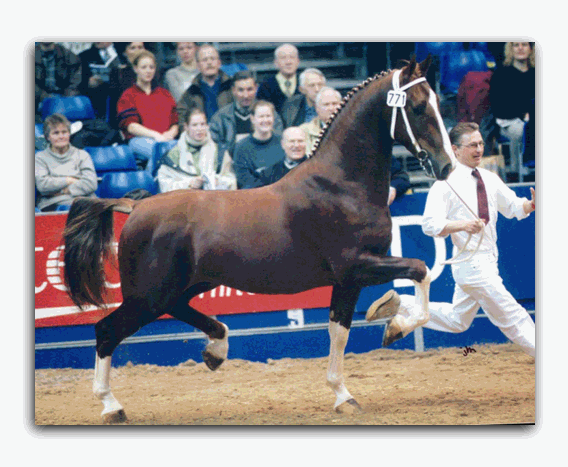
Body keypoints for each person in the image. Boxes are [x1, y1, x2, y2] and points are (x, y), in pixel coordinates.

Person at [366, 122, 536, 358]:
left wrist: (531, 205)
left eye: (480, 144)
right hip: (472, 264)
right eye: (472, 145)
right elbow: (429, 224)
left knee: (458, 320)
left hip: (487, 260)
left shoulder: (490, 177)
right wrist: (462, 225)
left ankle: (402, 303)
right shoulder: (444, 184)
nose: (479, 149)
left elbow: (515, 207)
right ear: (455, 149)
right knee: (512, 316)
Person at [116, 50, 179, 162]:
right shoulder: (128, 95)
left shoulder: (164, 94)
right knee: (160, 152)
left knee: (183, 152)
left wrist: (169, 134)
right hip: (139, 140)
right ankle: (151, 178)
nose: (148, 71)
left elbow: (175, 123)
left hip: (166, 140)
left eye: (151, 67)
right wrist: (155, 136)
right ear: (136, 69)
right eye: (144, 67)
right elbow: (131, 126)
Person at [157, 107, 236, 192]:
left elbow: (232, 180)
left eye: (202, 124)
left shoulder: (220, 152)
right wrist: (189, 183)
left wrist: (219, 181)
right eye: (194, 125)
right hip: (185, 202)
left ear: (207, 126)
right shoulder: (173, 155)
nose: (199, 129)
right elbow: (165, 186)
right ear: (186, 127)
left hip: (215, 200)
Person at [209, 70, 284, 157]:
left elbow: (278, 142)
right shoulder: (220, 118)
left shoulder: (270, 115)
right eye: (241, 90)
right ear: (233, 90)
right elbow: (216, 150)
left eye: (249, 89)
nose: (246, 95)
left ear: (256, 88)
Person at [489, 42, 535, 178]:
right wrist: (523, 114)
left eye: (524, 45)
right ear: (510, 49)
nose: (520, 48)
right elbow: (498, 107)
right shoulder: (501, 74)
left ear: (531, 49)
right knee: (522, 133)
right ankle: (519, 172)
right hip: (508, 121)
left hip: (534, 119)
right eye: (516, 45)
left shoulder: (536, 73)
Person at [35, 113, 97, 211]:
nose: (61, 136)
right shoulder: (39, 158)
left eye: (64, 132)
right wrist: (69, 180)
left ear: (69, 134)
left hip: (85, 201)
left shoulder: (82, 155)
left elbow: (91, 183)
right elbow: (43, 186)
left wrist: (64, 190)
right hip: (54, 204)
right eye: (56, 133)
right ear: (48, 137)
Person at [232, 100, 286, 189]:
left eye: (268, 116)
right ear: (252, 119)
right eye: (261, 116)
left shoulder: (283, 142)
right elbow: (244, 180)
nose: (265, 120)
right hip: (254, 196)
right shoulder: (241, 147)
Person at [176, 44, 233, 124]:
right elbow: (181, 117)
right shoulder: (191, 92)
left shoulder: (232, 86)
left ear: (219, 63)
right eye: (205, 60)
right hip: (202, 134)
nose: (209, 63)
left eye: (212, 59)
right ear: (198, 66)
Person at [35, 42, 82, 121]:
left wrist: (64, 100)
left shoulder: (68, 55)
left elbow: (75, 82)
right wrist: (43, 96)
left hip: (64, 99)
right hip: (37, 101)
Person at [108, 42, 146, 127]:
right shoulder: (118, 73)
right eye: (133, 48)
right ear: (125, 52)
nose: (138, 51)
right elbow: (115, 105)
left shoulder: (153, 72)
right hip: (128, 120)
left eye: (140, 47)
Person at [79, 42, 121, 119]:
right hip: (97, 99)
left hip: (120, 97)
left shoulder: (123, 52)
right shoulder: (84, 56)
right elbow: (79, 82)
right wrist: (87, 83)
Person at [256, 43, 302, 114]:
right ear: (276, 63)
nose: (288, 62)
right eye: (283, 58)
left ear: (298, 61)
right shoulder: (265, 86)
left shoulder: (305, 83)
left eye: (292, 57)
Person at [300, 86, 342, 153]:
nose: (331, 108)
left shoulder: (353, 128)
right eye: (326, 105)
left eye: (335, 104)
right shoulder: (303, 131)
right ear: (317, 108)